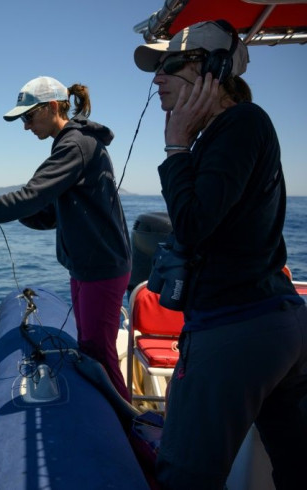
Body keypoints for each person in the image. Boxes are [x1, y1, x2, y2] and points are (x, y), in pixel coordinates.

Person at [134, 20, 307, 489]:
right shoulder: (234, 131)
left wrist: (175, 146)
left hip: (235, 328)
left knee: (185, 476)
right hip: (270, 322)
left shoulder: (240, 124)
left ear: (214, 68)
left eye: (171, 64)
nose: (158, 78)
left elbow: (192, 223)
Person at [0, 76, 132, 402]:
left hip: (101, 268)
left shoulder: (75, 145)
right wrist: (13, 210)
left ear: (52, 107)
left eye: (28, 116)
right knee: (91, 348)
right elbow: (47, 213)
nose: (25, 127)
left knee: (99, 355)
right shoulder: (71, 144)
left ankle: (135, 438)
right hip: (86, 266)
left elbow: (29, 197)